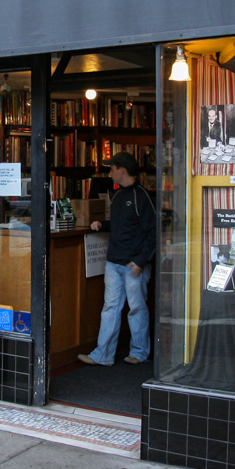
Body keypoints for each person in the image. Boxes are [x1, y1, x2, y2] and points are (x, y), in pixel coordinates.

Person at [78, 152, 157, 366]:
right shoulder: (119, 196)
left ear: (122, 170)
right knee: (111, 308)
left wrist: (141, 261)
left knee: (136, 308)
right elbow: (121, 225)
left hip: (133, 265)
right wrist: (102, 225)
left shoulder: (142, 197)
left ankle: (139, 353)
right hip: (115, 262)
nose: (109, 173)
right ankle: (103, 354)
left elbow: (154, 232)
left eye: (111, 169)